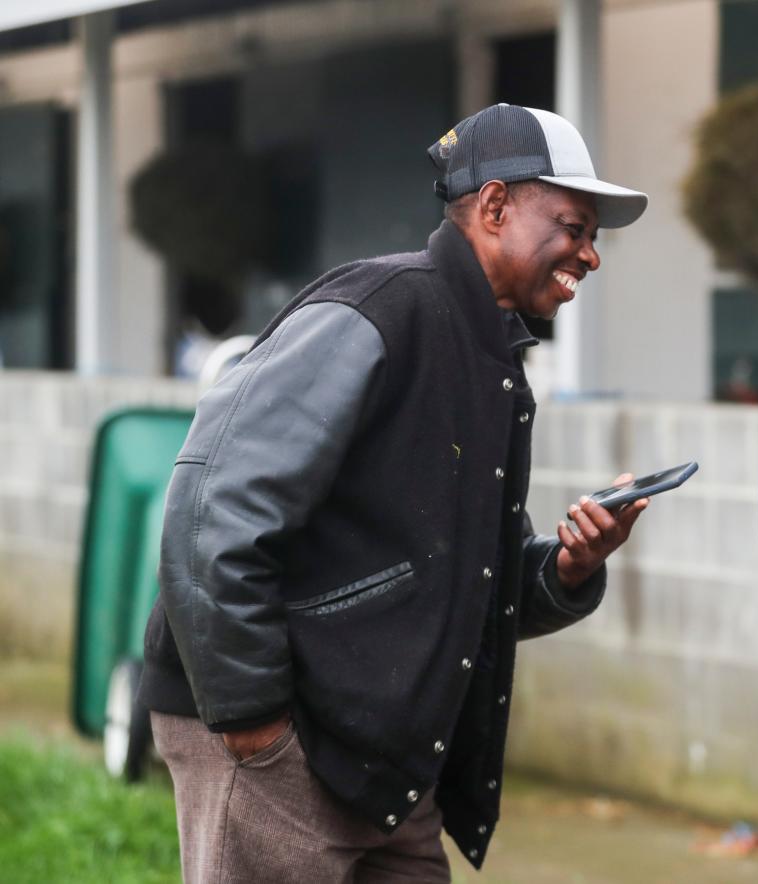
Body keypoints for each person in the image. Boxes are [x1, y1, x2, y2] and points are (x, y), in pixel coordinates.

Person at [138, 104, 649, 883]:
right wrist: (254, 723)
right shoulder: (378, 312)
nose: (589, 254)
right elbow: (212, 509)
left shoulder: (493, 359)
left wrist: (567, 571)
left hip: (382, 764)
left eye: (593, 236)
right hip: (284, 741)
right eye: (574, 226)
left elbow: (460, 580)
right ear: (495, 206)